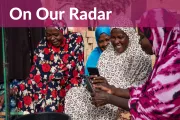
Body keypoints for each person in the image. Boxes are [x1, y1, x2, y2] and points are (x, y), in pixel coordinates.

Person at [91, 8, 180, 120]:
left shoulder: (174, 66)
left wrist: (109, 98)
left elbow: (151, 107)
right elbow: (146, 90)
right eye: (113, 37)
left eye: (142, 37)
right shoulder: (166, 57)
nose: (139, 41)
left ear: (157, 35)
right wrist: (112, 89)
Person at [64, 17, 152, 120]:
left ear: (130, 35)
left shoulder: (141, 57)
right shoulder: (106, 55)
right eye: (113, 38)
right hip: (103, 94)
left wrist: (110, 89)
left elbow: (140, 91)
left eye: (120, 37)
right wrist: (96, 84)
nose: (116, 42)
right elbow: (102, 80)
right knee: (75, 94)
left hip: (121, 99)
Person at [0, 19, 84, 114]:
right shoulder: (43, 45)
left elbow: (70, 66)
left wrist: (49, 82)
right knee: (27, 91)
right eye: (48, 35)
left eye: (56, 34)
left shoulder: (75, 39)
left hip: (69, 84)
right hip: (47, 85)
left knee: (53, 88)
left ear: (63, 30)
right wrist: (13, 90)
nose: (52, 38)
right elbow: (34, 75)